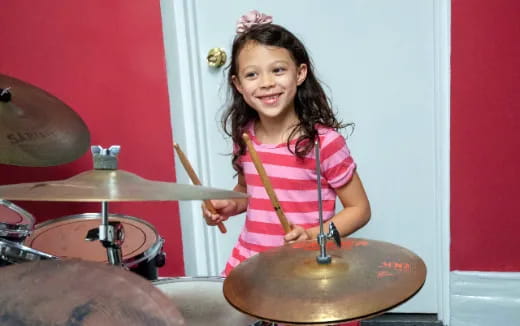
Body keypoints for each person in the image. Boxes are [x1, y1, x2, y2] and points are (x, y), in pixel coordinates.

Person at [202, 10, 371, 325]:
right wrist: (227, 204)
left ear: (300, 73)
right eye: (252, 75)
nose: (266, 83)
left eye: (278, 70)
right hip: (252, 263)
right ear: (238, 84)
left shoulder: (323, 143)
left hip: (306, 269)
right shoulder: (246, 137)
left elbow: (359, 209)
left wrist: (313, 236)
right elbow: (247, 192)